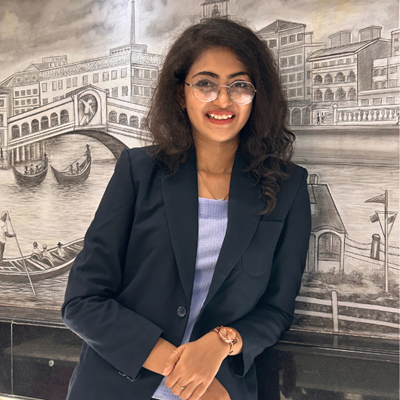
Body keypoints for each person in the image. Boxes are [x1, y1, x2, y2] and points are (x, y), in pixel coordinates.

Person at [62, 18, 311, 400]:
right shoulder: (138, 172)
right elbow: (82, 301)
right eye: (206, 84)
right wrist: (182, 369)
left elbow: (276, 312)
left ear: (256, 95)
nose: (223, 100)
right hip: (116, 387)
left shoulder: (287, 186)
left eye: (239, 85)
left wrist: (222, 343)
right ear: (181, 94)